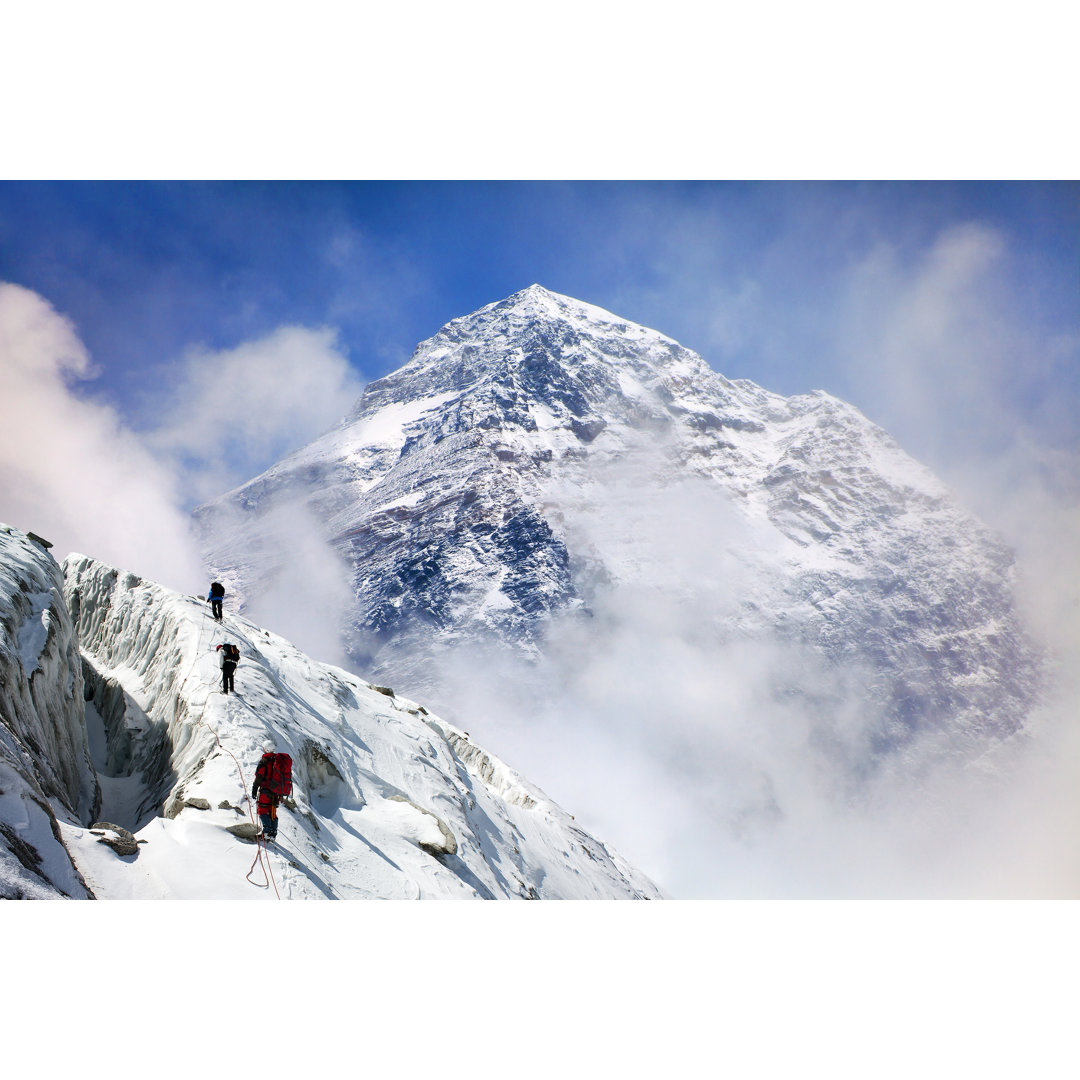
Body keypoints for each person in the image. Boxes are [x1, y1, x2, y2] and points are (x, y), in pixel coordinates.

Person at [252, 741, 293, 842]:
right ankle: (273, 834)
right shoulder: (278, 760)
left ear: (265, 749)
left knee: (262, 809)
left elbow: (259, 777)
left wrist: (254, 788)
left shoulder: (264, 761)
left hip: (266, 790)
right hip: (276, 792)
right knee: (272, 811)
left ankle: (266, 832)